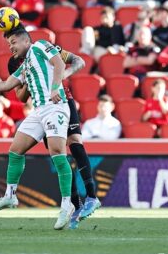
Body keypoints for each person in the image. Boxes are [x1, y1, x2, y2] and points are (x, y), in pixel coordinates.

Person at [0, 26, 75, 230]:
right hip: (39, 111)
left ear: (25, 41)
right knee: (15, 149)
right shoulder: (23, 67)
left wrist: (56, 86)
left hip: (55, 107)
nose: (11, 47)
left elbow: (58, 62)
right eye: (9, 44)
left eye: (13, 43)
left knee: (57, 151)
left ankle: (67, 205)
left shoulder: (40, 45)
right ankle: (10, 196)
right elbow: (5, 85)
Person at [7, 40, 99, 229]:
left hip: (63, 101)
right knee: (59, 156)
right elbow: (22, 97)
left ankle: (91, 196)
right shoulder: (17, 64)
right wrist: (25, 77)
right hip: (44, 111)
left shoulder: (46, 50)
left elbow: (78, 61)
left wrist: (59, 79)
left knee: (75, 142)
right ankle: (75, 205)